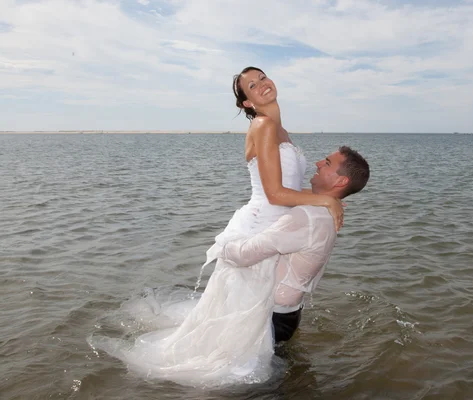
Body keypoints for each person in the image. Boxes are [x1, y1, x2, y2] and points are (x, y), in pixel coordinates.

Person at [90, 67, 345, 386]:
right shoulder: (263, 126)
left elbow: (289, 186)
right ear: (246, 103)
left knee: (259, 310)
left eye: (262, 78)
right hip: (261, 223)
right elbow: (275, 194)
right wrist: (325, 201)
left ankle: (278, 353)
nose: (262, 85)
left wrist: (326, 197)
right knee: (244, 321)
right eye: (252, 86)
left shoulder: (278, 128)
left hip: (279, 222)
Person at [220, 146, 370, 342]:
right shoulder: (325, 212)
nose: (317, 164)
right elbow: (285, 194)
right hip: (288, 313)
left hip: (270, 318)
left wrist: (224, 243)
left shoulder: (306, 217)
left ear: (341, 181)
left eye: (326, 163)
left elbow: (242, 255)